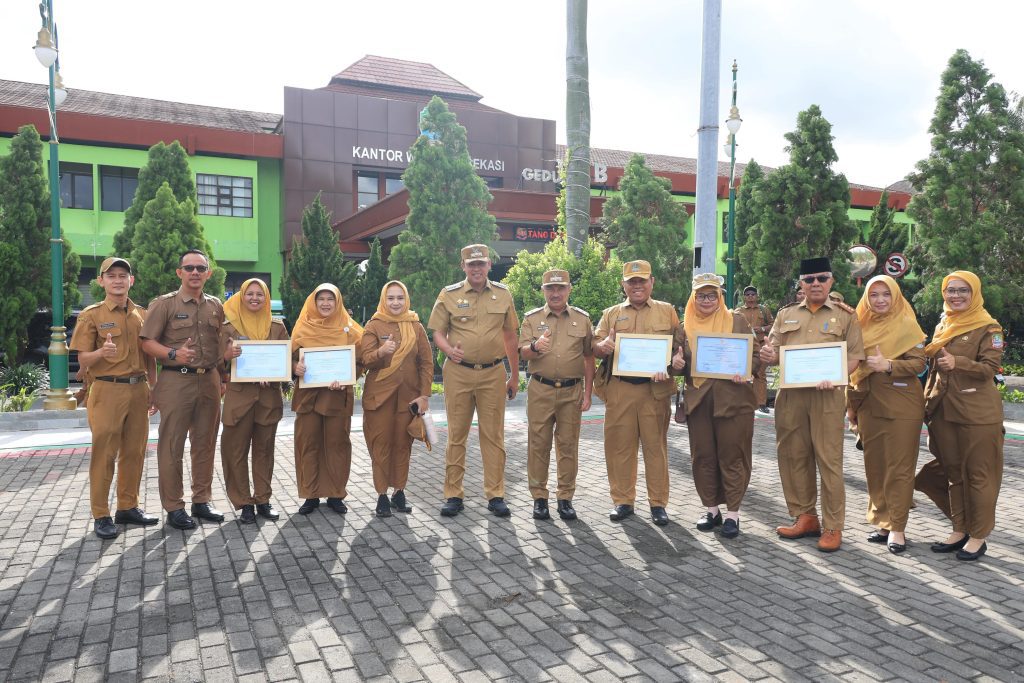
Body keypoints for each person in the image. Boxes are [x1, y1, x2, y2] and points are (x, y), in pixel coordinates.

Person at [759, 257, 864, 552]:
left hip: (827, 396)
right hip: (791, 395)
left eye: (821, 278)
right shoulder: (786, 314)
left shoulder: (846, 316)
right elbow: (774, 349)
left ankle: (833, 526)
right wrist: (770, 356)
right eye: (809, 279)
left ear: (831, 281)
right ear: (801, 284)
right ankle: (805, 516)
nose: (815, 283)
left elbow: (855, 356)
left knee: (828, 461)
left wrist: (838, 375)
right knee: (793, 456)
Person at [914, 271, 1004, 561]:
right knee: (954, 475)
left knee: (979, 476)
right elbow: (935, 370)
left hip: (977, 413)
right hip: (943, 411)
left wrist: (959, 362)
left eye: (963, 290)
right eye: (951, 290)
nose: (956, 296)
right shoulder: (945, 324)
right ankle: (959, 529)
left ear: (974, 293)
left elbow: (990, 369)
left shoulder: (989, 328)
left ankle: (978, 536)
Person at [428, 244, 520, 517]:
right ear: (464, 266)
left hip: (493, 373)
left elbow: (510, 337)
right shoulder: (449, 294)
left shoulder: (503, 295)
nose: (477, 268)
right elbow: (437, 332)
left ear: (489, 265)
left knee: (493, 436)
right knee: (456, 435)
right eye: (472, 264)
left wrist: (514, 374)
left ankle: (496, 495)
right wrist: (447, 350)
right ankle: (453, 494)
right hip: (459, 373)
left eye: (481, 263)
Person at [70, 257, 157, 539]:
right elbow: (83, 358)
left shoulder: (141, 314)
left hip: (138, 388)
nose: (118, 280)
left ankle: (127, 507)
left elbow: (149, 356)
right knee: (104, 454)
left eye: (123, 275)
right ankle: (101, 514)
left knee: (135, 451)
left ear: (131, 280)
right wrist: (100, 354)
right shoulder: (91, 314)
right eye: (112, 276)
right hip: (107, 389)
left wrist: (153, 388)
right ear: (101, 281)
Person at [593, 260, 686, 526]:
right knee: (619, 448)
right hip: (620, 388)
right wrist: (604, 346)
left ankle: (658, 504)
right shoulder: (611, 313)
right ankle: (623, 501)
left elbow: (677, 349)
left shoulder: (667, 312)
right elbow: (595, 346)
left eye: (642, 281)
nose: (637, 286)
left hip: (653, 391)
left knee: (655, 448)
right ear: (623, 285)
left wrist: (673, 364)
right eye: (631, 281)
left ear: (651, 282)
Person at [141, 249, 226, 530]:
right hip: (177, 380)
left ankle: (201, 500)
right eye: (189, 268)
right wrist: (174, 353)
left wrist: (223, 377)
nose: (195, 273)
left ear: (208, 274)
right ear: (179, 272)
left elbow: (220, 344)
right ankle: (174, 506)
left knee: (205, 444)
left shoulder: (215, 305)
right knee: (172, 446)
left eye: (201, 269)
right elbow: (147, 343)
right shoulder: (164, 304)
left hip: (209, 380)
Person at [845, 275, 926, 554]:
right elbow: (852, 369)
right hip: (868, 404)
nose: (880, 300)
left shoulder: (906, 323)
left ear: (895, 297)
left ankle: (898, 527)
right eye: (874, 295)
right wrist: (851, 406)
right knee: (876, 467)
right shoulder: (859, 324)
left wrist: (889, 364)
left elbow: (918, 363)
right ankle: (882, 521)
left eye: (886, 294)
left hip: (902, 404)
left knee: (900, 468)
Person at [683, 273, 760, 538]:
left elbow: (756, 355)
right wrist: (676, 364)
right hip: (699, 401)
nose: (706, 300)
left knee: (733, 455)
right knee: (703, 456)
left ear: (720, 297)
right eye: (701, 295)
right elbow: (675, 364)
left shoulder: (736, 320)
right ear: (694, 298)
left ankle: (733, 514)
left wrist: (746, 368)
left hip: (733, 400)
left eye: (712, 295)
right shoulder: (685, 326)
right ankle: (712, 509)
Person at [518, 269, 595, 521]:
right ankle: (539, 498)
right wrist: (534, 346)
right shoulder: (532, 319)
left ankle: (565, 498)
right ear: (543, 290)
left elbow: (588, 357)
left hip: (572, 391)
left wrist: (588, 393)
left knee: (568, 446)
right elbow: (522, 352)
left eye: (560, 288)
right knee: (538, 445)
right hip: (540, 388)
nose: (555, 293)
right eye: (550, 288)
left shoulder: (582, 320)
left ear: (569, 289)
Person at [361, 281, 433, 518]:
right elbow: (365, 359)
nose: (395, 302)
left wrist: (424, 395)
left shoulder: (416, 326)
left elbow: (426, 363)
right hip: (379, 398)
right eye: (390, 298)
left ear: (406, 299)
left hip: (408, 399)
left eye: (400, 298)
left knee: (403, 445)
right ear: (384, 299)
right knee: (380, 444)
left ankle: (399, 491)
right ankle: (381, 494)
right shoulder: (373, 324)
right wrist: (381, 352)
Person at [219, 279, 288, 524]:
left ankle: (263, 499)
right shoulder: (228, 326)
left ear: (267, 297)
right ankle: (243, 502)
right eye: (250, 294)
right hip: (239, 400)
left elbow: (286, 361)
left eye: (260, 294)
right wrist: (227, 356)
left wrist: (277, 373)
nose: (255, 298)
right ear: (241, 295)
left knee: (264, 451)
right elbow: (215, 362)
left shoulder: (277, 326)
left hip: (268, 399)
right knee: (235, 452)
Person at [291, 283, 363, 516]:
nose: (325, 303)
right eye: (320, 298)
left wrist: (348, 376)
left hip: (337, 395)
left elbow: (360, 361)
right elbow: (289, 358)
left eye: (330, 299)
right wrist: (296, 368)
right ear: (313, 301)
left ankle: (335, 494)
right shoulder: (302, 327)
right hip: (308, 397)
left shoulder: (350, 330)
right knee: (307, 444)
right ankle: (310, 494)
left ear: (338, 302)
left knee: (337, 445)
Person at [735, 285, 773, 412]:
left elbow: (772, 325)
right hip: (744, 346)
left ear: (757, 296)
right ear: (744, 297)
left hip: (761, 344)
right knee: (743, 373)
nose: (750, 296)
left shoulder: (763, 310)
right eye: (747, 294)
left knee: (760, 374)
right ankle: (743, 402)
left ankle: (761, 403)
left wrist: (762, 329)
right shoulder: (739, 311)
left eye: (753, 294)